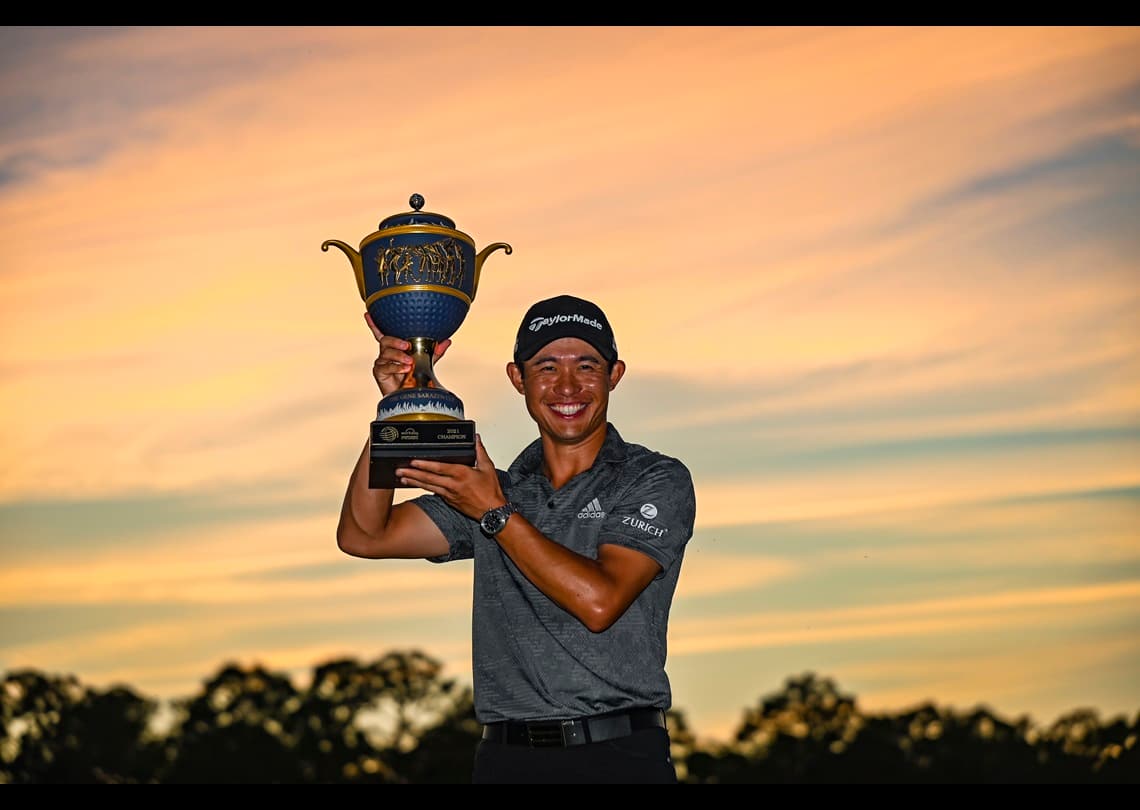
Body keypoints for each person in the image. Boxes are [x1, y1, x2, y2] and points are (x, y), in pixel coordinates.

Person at [336, 294, 696, 784]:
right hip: (507, 761)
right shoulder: (494, 488)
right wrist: (398, 410)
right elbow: (364, 535)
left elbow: (600, 601)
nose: (567, 385)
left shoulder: (653, 478)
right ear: (517, 379)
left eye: (586, 365)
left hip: (619, 756)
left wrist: (494, 513)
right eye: (545, 367)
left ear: (614, 376)